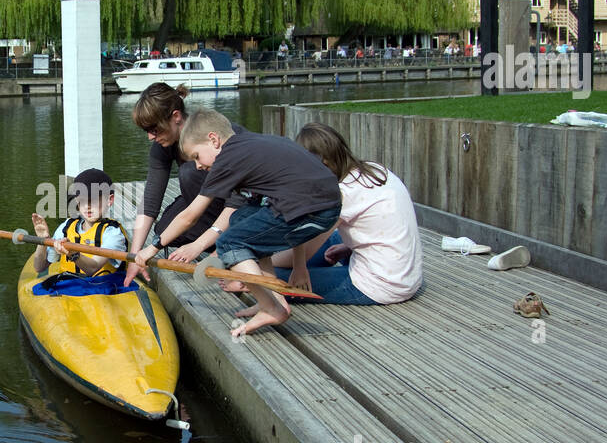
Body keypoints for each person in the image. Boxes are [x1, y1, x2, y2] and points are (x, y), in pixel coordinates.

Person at [132, 110, 341, 338]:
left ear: (213, 140)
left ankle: (273, 308)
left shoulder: (228, 157)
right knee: (242, 219)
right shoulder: (248, 145)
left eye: (196, 156)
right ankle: (273, 298)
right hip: (320, 201)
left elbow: (189, 215)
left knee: (230, 243)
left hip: (315, 209)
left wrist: (153, 248)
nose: (198, 166)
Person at [262, 123, 423, 305]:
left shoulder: (341, 193)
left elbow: (301, 246)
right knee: (332, 239)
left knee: (273, 278)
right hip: (405, 274)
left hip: (381, 286)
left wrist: (265, 262)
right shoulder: (374, 169)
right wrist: (348, 247)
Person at [123, 84, 235, 284]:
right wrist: (134, 256)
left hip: (236, 204)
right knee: (163, 232)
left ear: (176, 117)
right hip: (202, 201)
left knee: (189, 172)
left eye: (154, 129)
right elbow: (150, 201)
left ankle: (223, 244)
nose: (150, 136)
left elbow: (241, 194)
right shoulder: (162, 144)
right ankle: (211, 238)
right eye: (146, 131)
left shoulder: (210, 134)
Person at [30, 168, 128, 277]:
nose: (87, 206)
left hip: (103, 288)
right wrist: (42, 241)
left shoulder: (113, 234)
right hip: (68, 287)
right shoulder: (66, 227)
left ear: (110, 200)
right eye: (82, 200)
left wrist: (73, 253)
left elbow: (93, 267)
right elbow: (39, 267)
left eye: (94, 199)